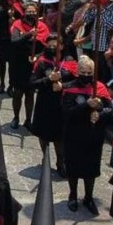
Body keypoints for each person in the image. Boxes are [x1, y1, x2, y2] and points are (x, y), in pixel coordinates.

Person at [57, 56, 112, 215]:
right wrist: (85, 105)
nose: (86, 75)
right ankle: (72, 195)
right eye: (83, 72)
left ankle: (88, 197)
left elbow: (111, 111)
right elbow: (67, 112)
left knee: (90, 169)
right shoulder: (70, 88)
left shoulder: (100, 88)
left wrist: (100, 114)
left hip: (93, 135)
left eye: (89, 72)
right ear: (77, 71)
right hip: (74, 134)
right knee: (73, 168)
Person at [9, 2, 49, 129]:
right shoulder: (17, 25)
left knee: (30, 93)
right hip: (18, 63)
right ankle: (16, 117)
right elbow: (14, 40)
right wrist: (29, 34)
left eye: (33, 12)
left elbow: (46, 47)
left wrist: (37, 56)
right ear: (24, 12)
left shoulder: (42, 27)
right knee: (18, 93)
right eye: (29, 11)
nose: (31, 14)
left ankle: (28, 119)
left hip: (32, 65)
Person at [30, 34, 65, 176]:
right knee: (43, 134)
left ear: (61, 46)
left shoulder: (68, 62)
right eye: (49, 45)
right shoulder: (42, 62)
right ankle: (46, 158)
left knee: (59, 137)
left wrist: (62, 84)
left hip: (61, 104)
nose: (52, 48)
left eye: (55, 46)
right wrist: (48, 79)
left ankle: (60, 162)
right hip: (44, 102)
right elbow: (32, 82)